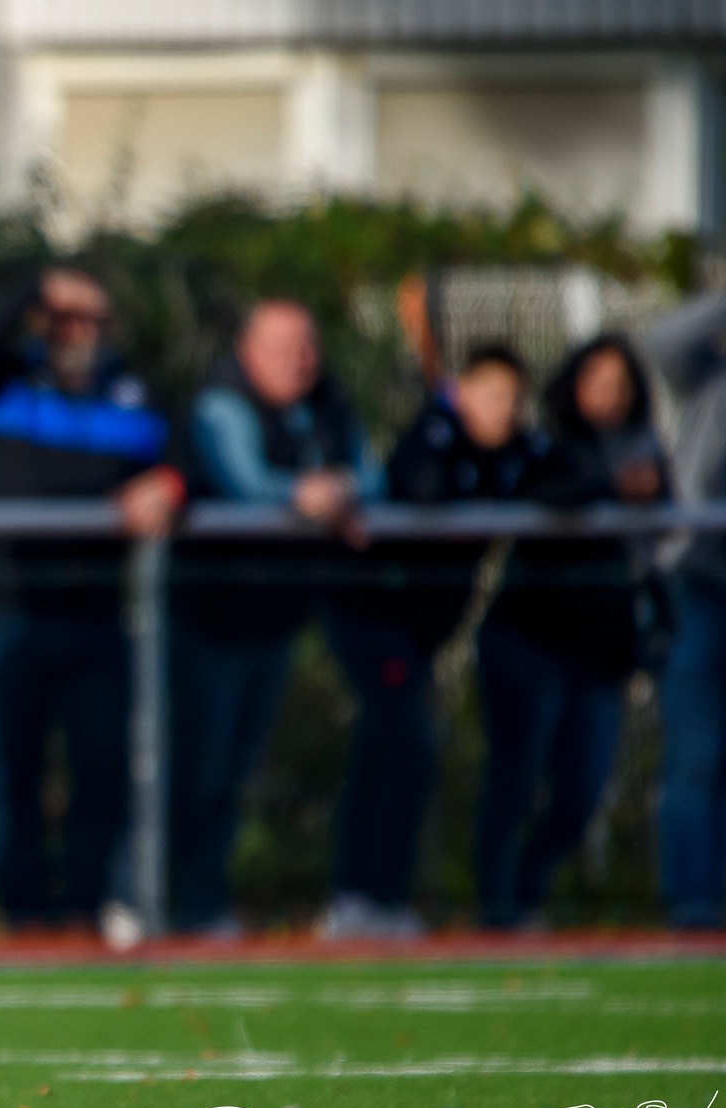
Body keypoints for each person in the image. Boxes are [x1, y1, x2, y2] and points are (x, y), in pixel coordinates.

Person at [0, 264, 179, 930]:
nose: (78, 331)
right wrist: (34, 292)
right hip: (0, 608)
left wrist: (170, 485)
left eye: (91, 318)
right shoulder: (3, 380)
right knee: (9, 778)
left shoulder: (135, 393)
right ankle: (28, 922)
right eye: (63, 318)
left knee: (101, 771)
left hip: (93, 614)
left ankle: (81, 917)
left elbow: (189, 456)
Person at [171, 300, 378, 936]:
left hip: (274, 621)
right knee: (193, 773)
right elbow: (243, 483)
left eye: (306, 345)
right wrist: (305, 495)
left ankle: (204, 907)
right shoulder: (222, 404)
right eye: (281, 346)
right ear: (246, 349)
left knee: (234, 776)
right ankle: (162, 904)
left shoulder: (327, 405)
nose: (298, 360)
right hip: (207, 622)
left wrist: (341, 490)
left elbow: (371, 475)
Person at [319, 343, 539, 940]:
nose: (502, 410)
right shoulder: (434, 435)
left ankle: (363, 896)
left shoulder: (515, 450)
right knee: (409, 744)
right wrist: (448, 426)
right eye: (489, 395)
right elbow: (421, 487)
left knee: (384, 747)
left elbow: (561, 477)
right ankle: (369, 895)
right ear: (460, 390)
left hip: (421, 634)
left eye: (511, 400)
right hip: (374, 618)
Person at [476, 336, 667, 927]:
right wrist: (612, 489)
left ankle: (529, 888)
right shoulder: (544, 446)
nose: (608, 396)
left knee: (582, 791)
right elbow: (542, 495)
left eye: (620, 384)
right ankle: (498, 905)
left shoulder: (651, 455)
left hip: (601, 655)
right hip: (532, 642)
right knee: (516, 779)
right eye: (596, 382)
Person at [640, 292, 726, 929]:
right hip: (700, 587)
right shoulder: (709, 378)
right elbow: (660, 341)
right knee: (696, 755)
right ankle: (694, 909)